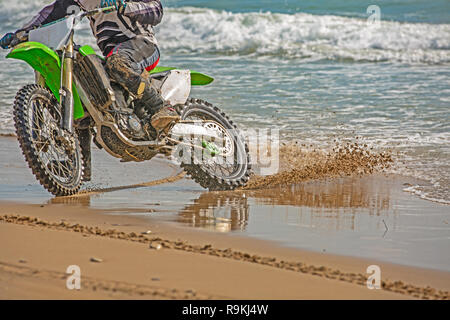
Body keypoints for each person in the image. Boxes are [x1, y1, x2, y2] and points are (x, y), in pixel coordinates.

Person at [0, 0, 179, 132]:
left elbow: (156, 10)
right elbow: (49, 15)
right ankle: (78, 167)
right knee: (84, 90)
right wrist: (20, 34)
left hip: (141, 44)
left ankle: (162, 108)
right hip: (112, 52)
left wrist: (124, 6)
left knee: (117, 64)